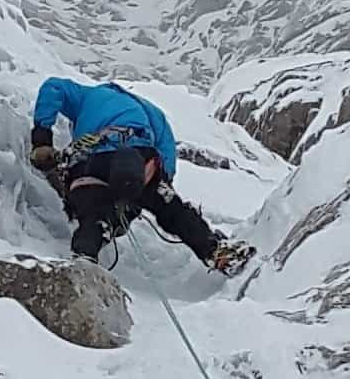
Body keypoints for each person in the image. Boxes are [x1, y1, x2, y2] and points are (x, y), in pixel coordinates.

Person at [28, 75, 252, 274]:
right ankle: (214, 251)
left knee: (93, 218)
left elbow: (53, 87)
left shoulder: (87, 95)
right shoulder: (151, 112)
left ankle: (84, 258)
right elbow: (166, 153)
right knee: (171, 209)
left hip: (87, 164)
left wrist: (42, 139)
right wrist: (158, 189)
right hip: (136, 158)